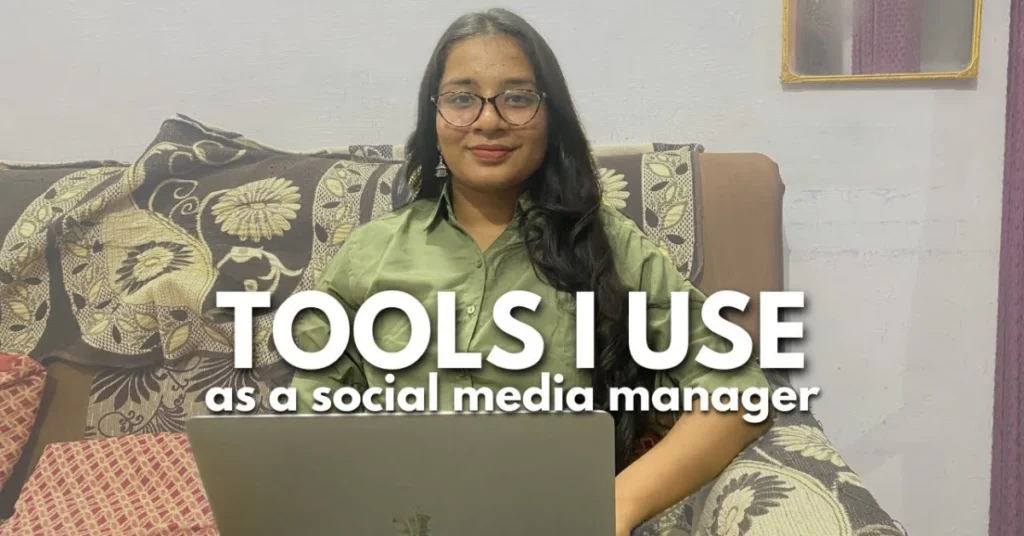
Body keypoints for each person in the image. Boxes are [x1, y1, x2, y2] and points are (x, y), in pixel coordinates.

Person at [290, 8, 772, 535]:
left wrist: (618, 502)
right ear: (434, 116)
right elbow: (313, 422)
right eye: (461, 97)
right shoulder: (369, 252)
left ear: (551, 117)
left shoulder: (608, 245)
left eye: (517, 97)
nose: (489, 120)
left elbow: (738, 392)